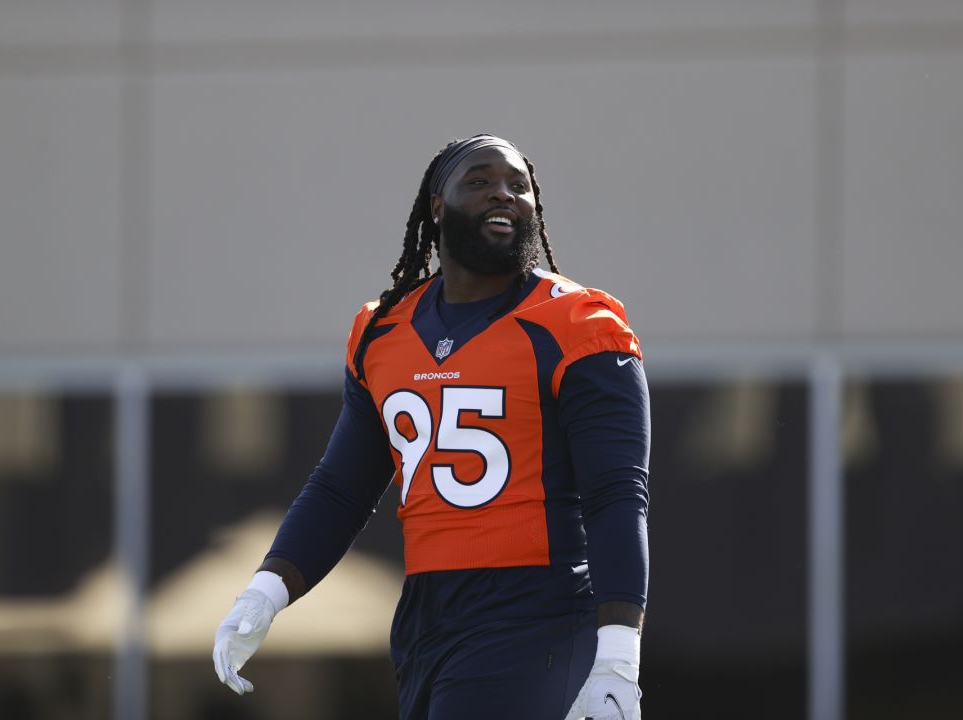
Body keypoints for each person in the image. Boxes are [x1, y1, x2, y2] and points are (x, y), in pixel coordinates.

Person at [213, 134, 651, 719]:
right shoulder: (383, 329)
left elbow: (617, 495)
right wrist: (266, 591)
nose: (504, 193)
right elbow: (341, 488)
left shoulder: (577, 324)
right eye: (479, 180)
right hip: (426, 614)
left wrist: (620, 651)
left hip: (535, 608)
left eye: (518, 185)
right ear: (436, 206)